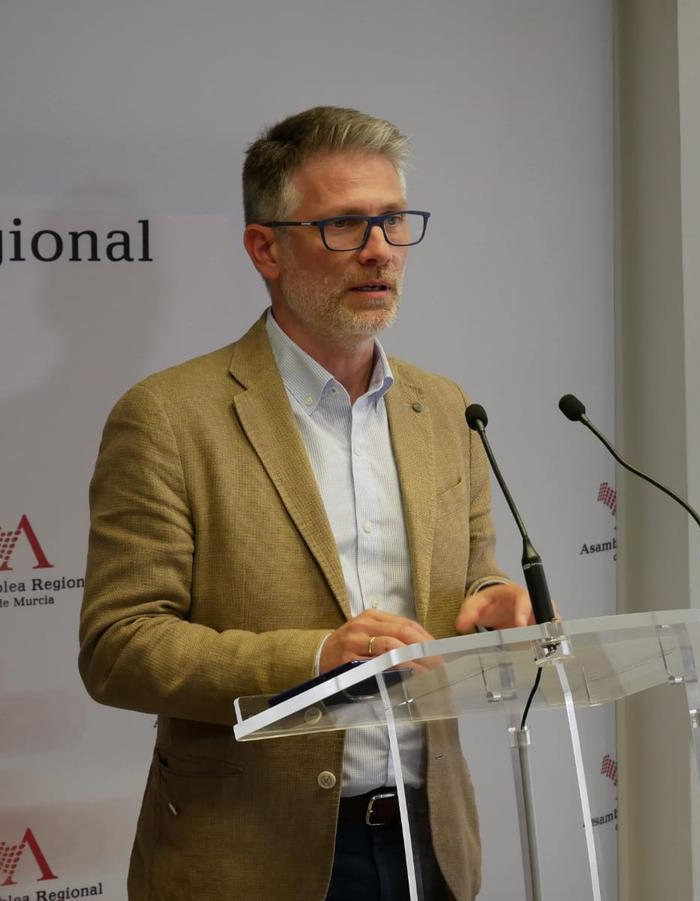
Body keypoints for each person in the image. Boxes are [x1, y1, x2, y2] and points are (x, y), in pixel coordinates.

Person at [79, 106, 535, 901]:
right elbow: (119, 646)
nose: (380, 251)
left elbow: (470, 581)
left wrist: (490, 602)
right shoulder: (169, 416)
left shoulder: (445, 406)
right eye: (344, 226)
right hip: (251, 854)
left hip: (430, 840)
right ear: (265, 247)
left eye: (393, 221)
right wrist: (316, 658)